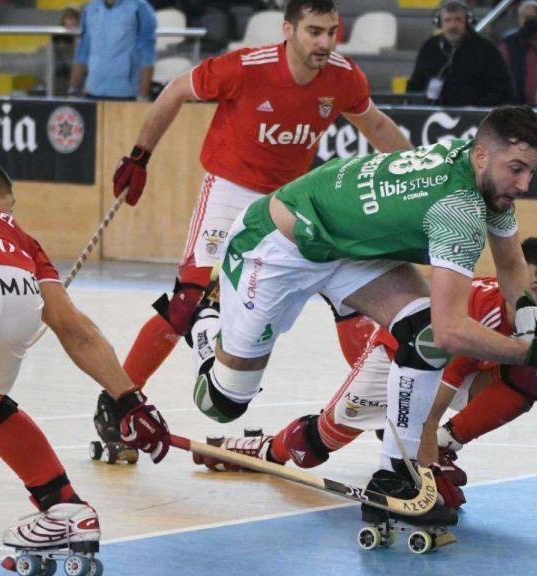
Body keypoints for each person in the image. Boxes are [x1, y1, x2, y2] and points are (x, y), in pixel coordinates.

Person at [186, 105, 537, 526]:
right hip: (275, 247)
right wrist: (535, 356)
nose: (525, 183)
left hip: (346, 249)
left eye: (531, 170)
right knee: (221, 403)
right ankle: (204, 320)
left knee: (421, 333)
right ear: (481, 156)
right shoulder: (458, 211)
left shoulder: (484, 177)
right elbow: (452, 330)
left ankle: (394, 474)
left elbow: (512, 268)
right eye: (517, 169)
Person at [100, 0, 413, 458]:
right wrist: (139, 155)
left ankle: (386, 419)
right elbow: (174, 91)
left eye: (331, 31)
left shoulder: (344, 76)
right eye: (314, 32)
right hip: (232, 191)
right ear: (288, 30)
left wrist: (415, 177)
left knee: (352, 302)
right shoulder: (247, 67)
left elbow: (378, 125)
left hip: (294, 200)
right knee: (189, 299)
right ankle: (118, 405)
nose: (325, 42)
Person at [193, 236, 537, 512]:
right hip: (400, 359)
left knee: (536, 376)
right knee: (314, 445)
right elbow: (428, 405)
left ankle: (445, 445)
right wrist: (427, 473)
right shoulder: (477, 314)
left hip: (455, 370)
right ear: (511, 280)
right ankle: (256, 451)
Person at [0, 155, 170, 561]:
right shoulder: (18, 234)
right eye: (10, 202)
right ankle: (65, 507)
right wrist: (130, 401)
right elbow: (74, 329)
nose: (8, 211)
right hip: (17, 302)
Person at [406, 0, 513, 107]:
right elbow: (415, 85)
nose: (453, 25)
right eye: (448, 20)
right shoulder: (430, 47)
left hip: (475, 118)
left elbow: (502, 90)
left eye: (458, 20)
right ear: (439, 23)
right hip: (433, 115)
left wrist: (477, 107)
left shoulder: (486, 49)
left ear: (467, 22)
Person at [68, 0, 156, 100]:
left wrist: (143, 94)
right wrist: (73, 89)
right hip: (93, 90)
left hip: (126, 93)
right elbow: (82, 51)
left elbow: (147, 53)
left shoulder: (140, 7)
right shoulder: (91, 8)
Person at [500, 0, 537, 106]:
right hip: (516, 104)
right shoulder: (508, 42)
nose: (530, 22)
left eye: (535, 18)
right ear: (519, 19)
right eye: (526, 17)